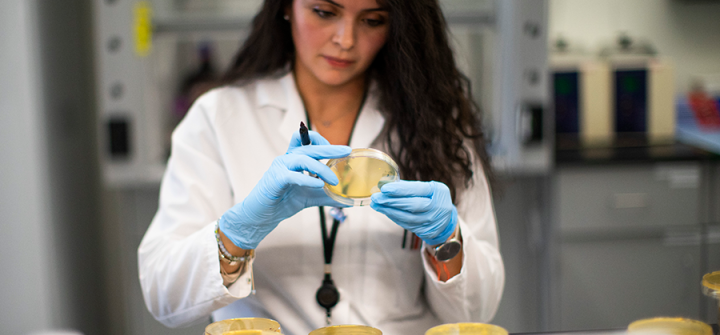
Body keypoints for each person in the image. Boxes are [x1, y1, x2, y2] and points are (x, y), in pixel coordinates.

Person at [138, 0, 504, 334]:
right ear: (286, 7)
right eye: (325, 12)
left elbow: (479, 309)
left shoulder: (437, 123)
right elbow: (163, 296)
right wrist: (240, 231)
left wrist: (447, 242)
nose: (346, 39)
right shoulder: (218, 118)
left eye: (372, 20)